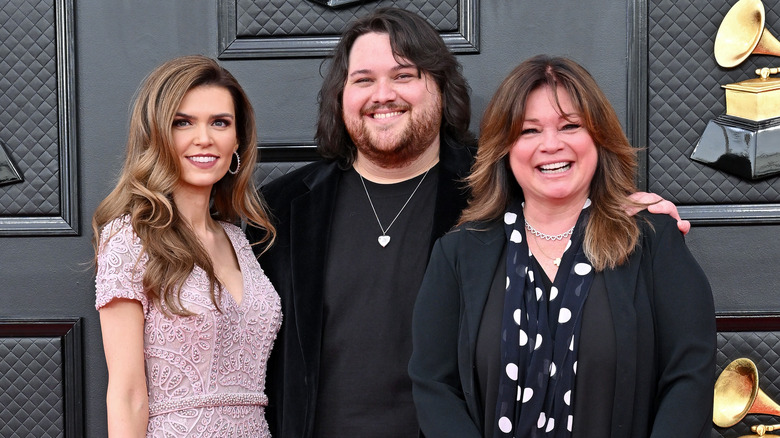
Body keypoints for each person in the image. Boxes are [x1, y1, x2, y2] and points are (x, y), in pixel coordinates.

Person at [247, 8, 690, 438]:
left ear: (441, 88)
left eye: (404, 75)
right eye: (363, 80)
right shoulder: (281, 209)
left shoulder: (495, 188)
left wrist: (630, 209)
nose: (383, 94)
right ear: (340, 97)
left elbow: (564, 186)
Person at [408, 55, 716, 438]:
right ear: (504, 148)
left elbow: (691, 375)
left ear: (599, 138)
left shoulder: (652, 239)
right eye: (529, 131)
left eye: (570, 126)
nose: (551, 145)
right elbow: (434, 386)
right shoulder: (457, 255)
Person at [93, 55, 281, 437]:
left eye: (220, 123)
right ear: (157, 135)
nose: (204, 138)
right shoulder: (130, 240)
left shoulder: (238, 239)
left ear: (238, 139)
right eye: (183, 122)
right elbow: (128, 395)